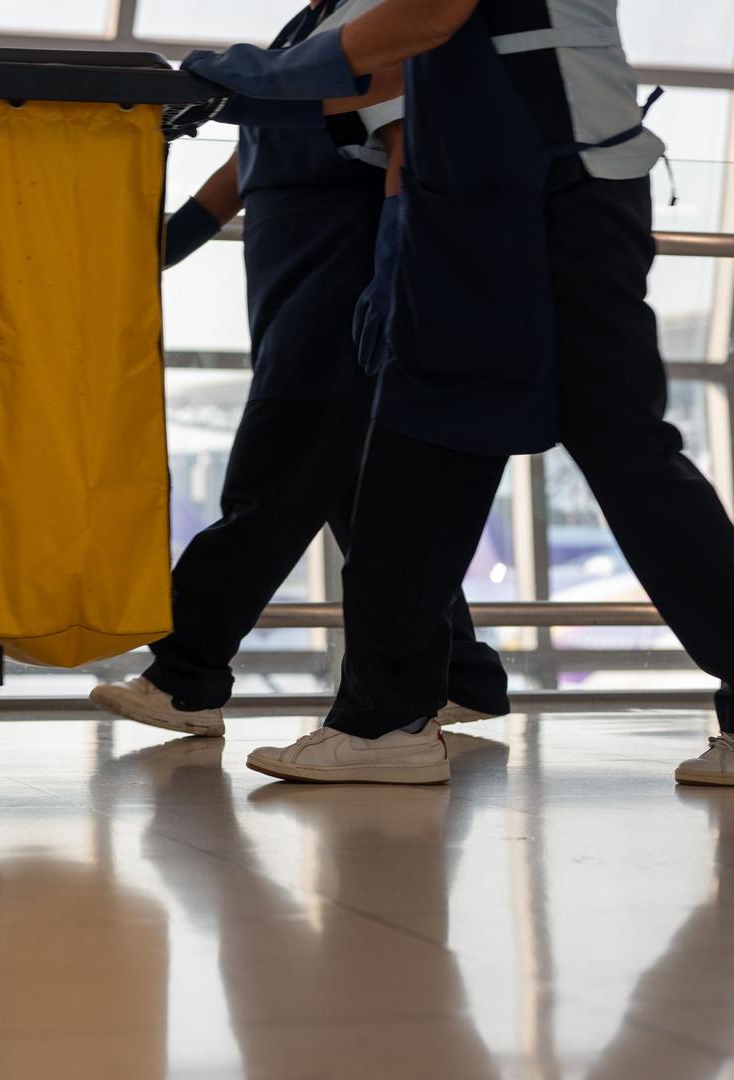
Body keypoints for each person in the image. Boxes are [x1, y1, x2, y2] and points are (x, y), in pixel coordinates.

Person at [182, 0, 734, 787]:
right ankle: (384, 716)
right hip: (485, 200)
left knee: (603, 446)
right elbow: (393, 66)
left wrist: (243, 79)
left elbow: (428, 18)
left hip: (556, 191)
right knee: (427, 443)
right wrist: (245, 97)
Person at [91, 0, 510, 741]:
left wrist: (391, 261)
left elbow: (404, 136)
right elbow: (255, 144)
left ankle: (187, 675)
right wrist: (170, 240)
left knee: (272, 481)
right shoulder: (308, 23)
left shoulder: (382, 18)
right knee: (354, 495)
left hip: (337, 281)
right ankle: (461, 674)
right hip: (289, 280)